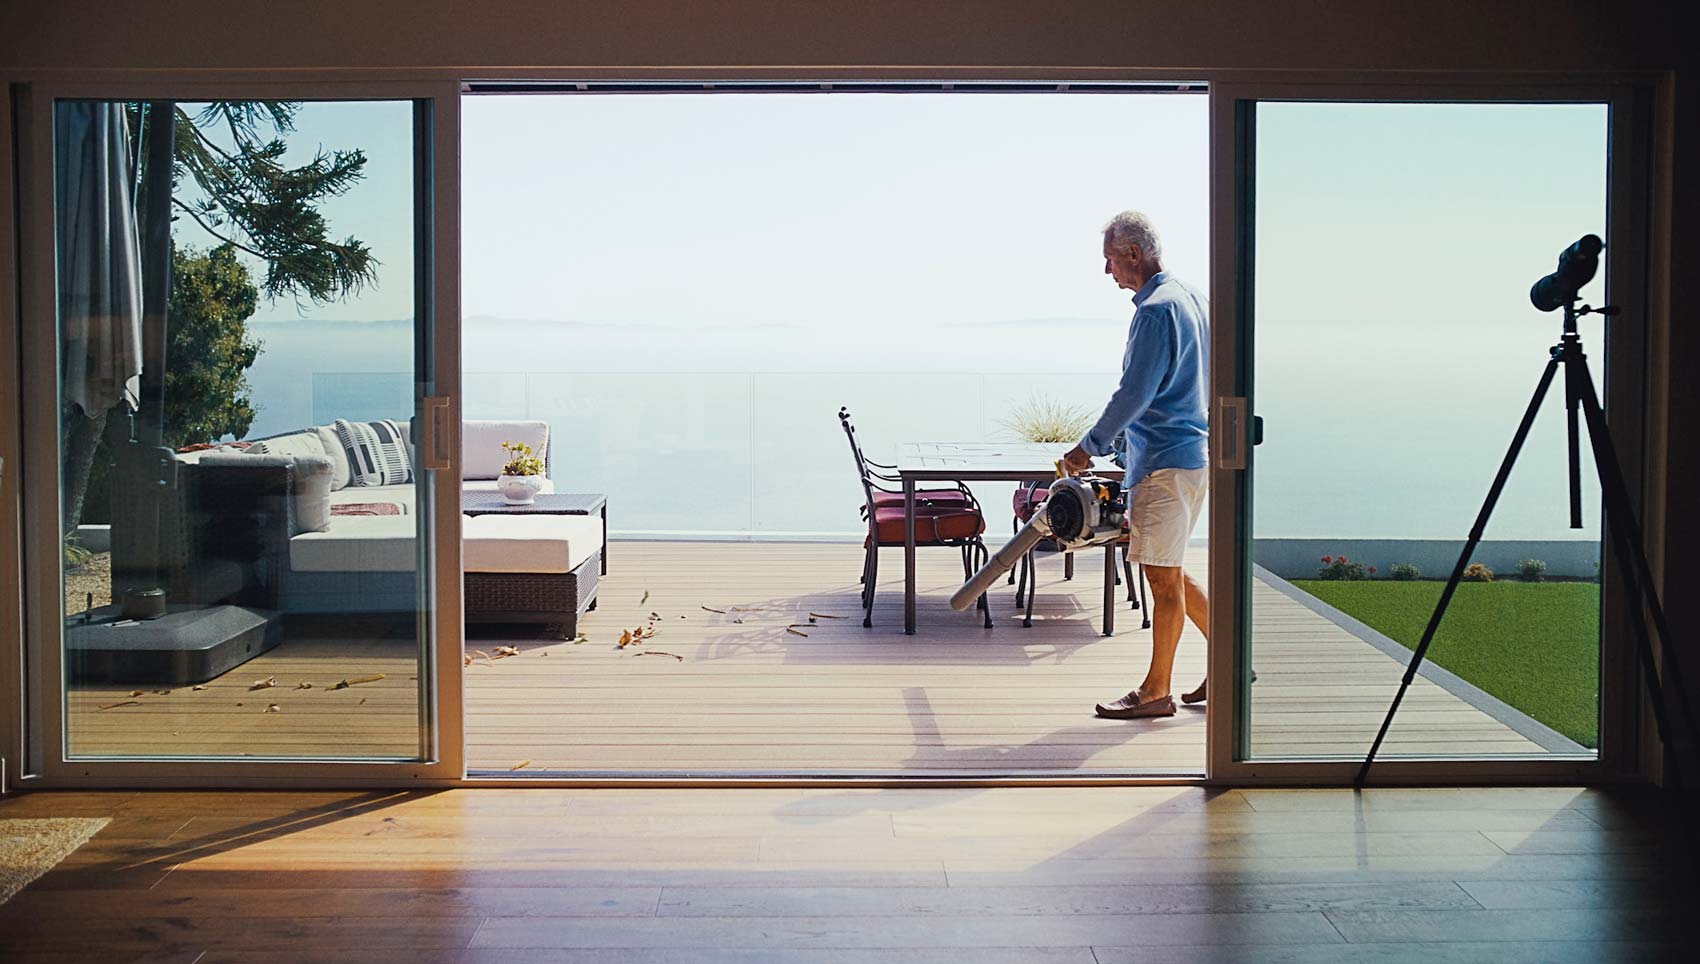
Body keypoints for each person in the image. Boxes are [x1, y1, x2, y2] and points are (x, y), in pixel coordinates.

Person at [1062, 210, 1211, 719]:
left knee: (1163, 584)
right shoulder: (1192, 299)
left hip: (1164, 462)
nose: (1108, 273)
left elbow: (1135, 393)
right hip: (1195, 458)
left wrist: (1090, 445)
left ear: (1132, 253)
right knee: (1168, 569)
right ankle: (1234, 664)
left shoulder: (1153, 311)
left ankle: (1155, 693)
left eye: (1110, 260)